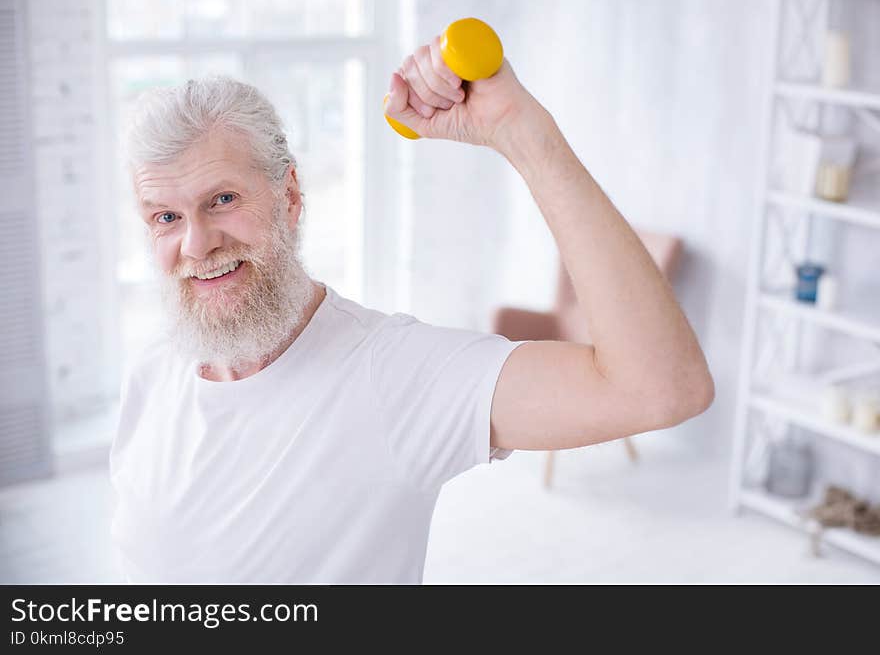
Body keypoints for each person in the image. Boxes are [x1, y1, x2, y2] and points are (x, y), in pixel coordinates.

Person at [109, 35, 714, 584]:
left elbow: (660, 388)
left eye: (222, 199)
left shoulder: (390, 374)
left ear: (289, 198)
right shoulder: (153, 371)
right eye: (166, 216)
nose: (196, 244)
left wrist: (522, 133)